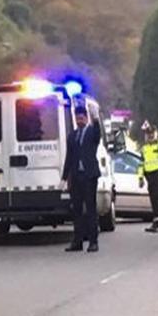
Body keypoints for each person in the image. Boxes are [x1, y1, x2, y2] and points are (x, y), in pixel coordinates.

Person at [63, 104, 101, 253]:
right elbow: (69, 157)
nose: (79, 121)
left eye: (81, 118)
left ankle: (93, 242)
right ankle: (77, 241)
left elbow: (98, 136)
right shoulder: (72, 136)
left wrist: (96, 119)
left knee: (90, 209)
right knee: (76, 210)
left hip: (89, 176)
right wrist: (64, 177)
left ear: (86, 118)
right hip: (76, 177)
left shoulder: (91, 132)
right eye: (77, 118)